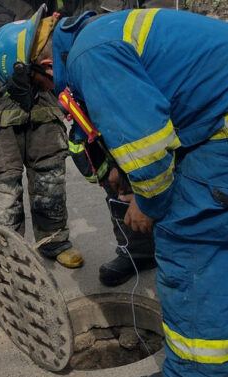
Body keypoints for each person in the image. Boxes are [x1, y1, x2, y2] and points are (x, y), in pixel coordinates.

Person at [0, 6, 228, 377]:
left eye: (39, 86)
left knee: (190, 243)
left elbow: (150, 151)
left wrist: (147, 203)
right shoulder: (96, 33)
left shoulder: (90, 57)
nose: (46, 93)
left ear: (43, 64)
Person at [0, 0, 84, 268]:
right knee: (4, 184)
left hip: (40, 97)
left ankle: (54, 240)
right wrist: (10, 48)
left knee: (50, 174)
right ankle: (7, 256)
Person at [62, 0, 158, 287]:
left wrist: (146, 195)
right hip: (90, 75)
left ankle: (177, 246)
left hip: (135, 69)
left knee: (157, 155)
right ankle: (137, 251)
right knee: (114, 174)